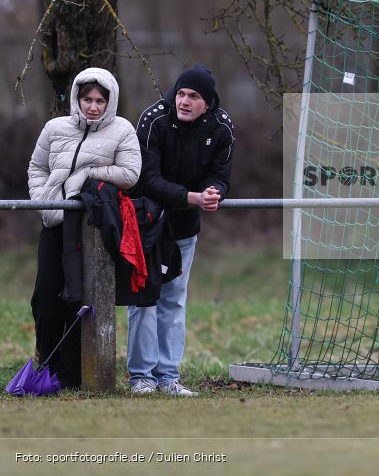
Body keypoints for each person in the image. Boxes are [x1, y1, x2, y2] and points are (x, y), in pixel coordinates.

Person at [27, 67, 142, 388]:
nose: (93, 106)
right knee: (44, 300)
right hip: (54, 226)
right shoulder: (54, 128)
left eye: (100, 100)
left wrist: (87, 174)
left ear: (110, 102)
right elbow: (37, 167)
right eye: (87, 99)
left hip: (91, 229)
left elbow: (131, 173)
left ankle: (73, 375)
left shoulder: (122, 130)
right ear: (77, 98)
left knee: (80, 301)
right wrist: (44, 199)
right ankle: (46, 369)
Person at [127, 64, 234, 396]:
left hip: (186, 228)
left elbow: (220, 173)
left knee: (174, 300)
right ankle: (141, 377)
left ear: (208, 103)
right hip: (147, 223)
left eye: (194, 96)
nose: (184, 101)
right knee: (144, 298)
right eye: (181, 94)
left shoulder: (223, 129)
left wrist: (214, 192)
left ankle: (168, 377)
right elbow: (146, 178)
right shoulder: (152, 120)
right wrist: (190, 197)